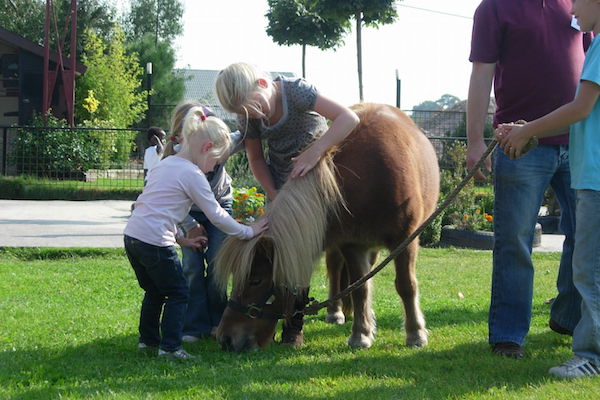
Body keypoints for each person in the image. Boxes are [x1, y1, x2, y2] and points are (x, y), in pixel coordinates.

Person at [467, 0, 591, 358]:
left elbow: (590, 62)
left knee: (585, 238)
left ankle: (567, 316)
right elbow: (481, 74)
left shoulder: (577, 4)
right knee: (514, 241)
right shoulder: (493, 7)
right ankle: (508, 335)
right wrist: (475, 140)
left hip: (578, 141)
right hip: (520, 143)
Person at [215, 62, 360, 345]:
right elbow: (256, 159)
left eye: (255, 106)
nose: (255, 115)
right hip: (282, 186)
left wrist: (314, 153)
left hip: (318, 177)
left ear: (263, 84)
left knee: (299, 255)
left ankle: (294, 327)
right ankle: (259, 315)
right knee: (272, 255)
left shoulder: (296, 91)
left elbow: (348, 118)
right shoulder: (248, 115)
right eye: (246, 113)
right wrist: (274, 193)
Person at [495, 0, 600, 379]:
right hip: (589, 173)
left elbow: (581, 107)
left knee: (589, 270)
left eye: (580, 1)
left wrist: (526, 130)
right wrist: (528, 128)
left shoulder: (599, 44)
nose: (574, 11)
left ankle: (591, 354)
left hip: (594, 177)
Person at [124, 107, 268, 360]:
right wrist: (249, 231)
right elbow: (217, 216)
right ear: (207, 147)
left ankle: (147, 341)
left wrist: (181, 239)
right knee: (179, 293)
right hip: (156, 243)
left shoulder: (166, 163)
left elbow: (159, 207)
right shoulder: (193, 174)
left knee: (155, 291)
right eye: (216, 160)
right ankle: (170, 347)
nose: (213, 167)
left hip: (133, 238)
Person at [163, 101, 244, 343]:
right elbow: (169, 200)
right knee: (192, 267)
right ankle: (193, 324)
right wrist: (188, 224)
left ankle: (218, 320)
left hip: (219, 205)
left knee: (218, 263)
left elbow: (247, 131)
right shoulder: (172, 155)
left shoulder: (220, 141)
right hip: (189, 212)